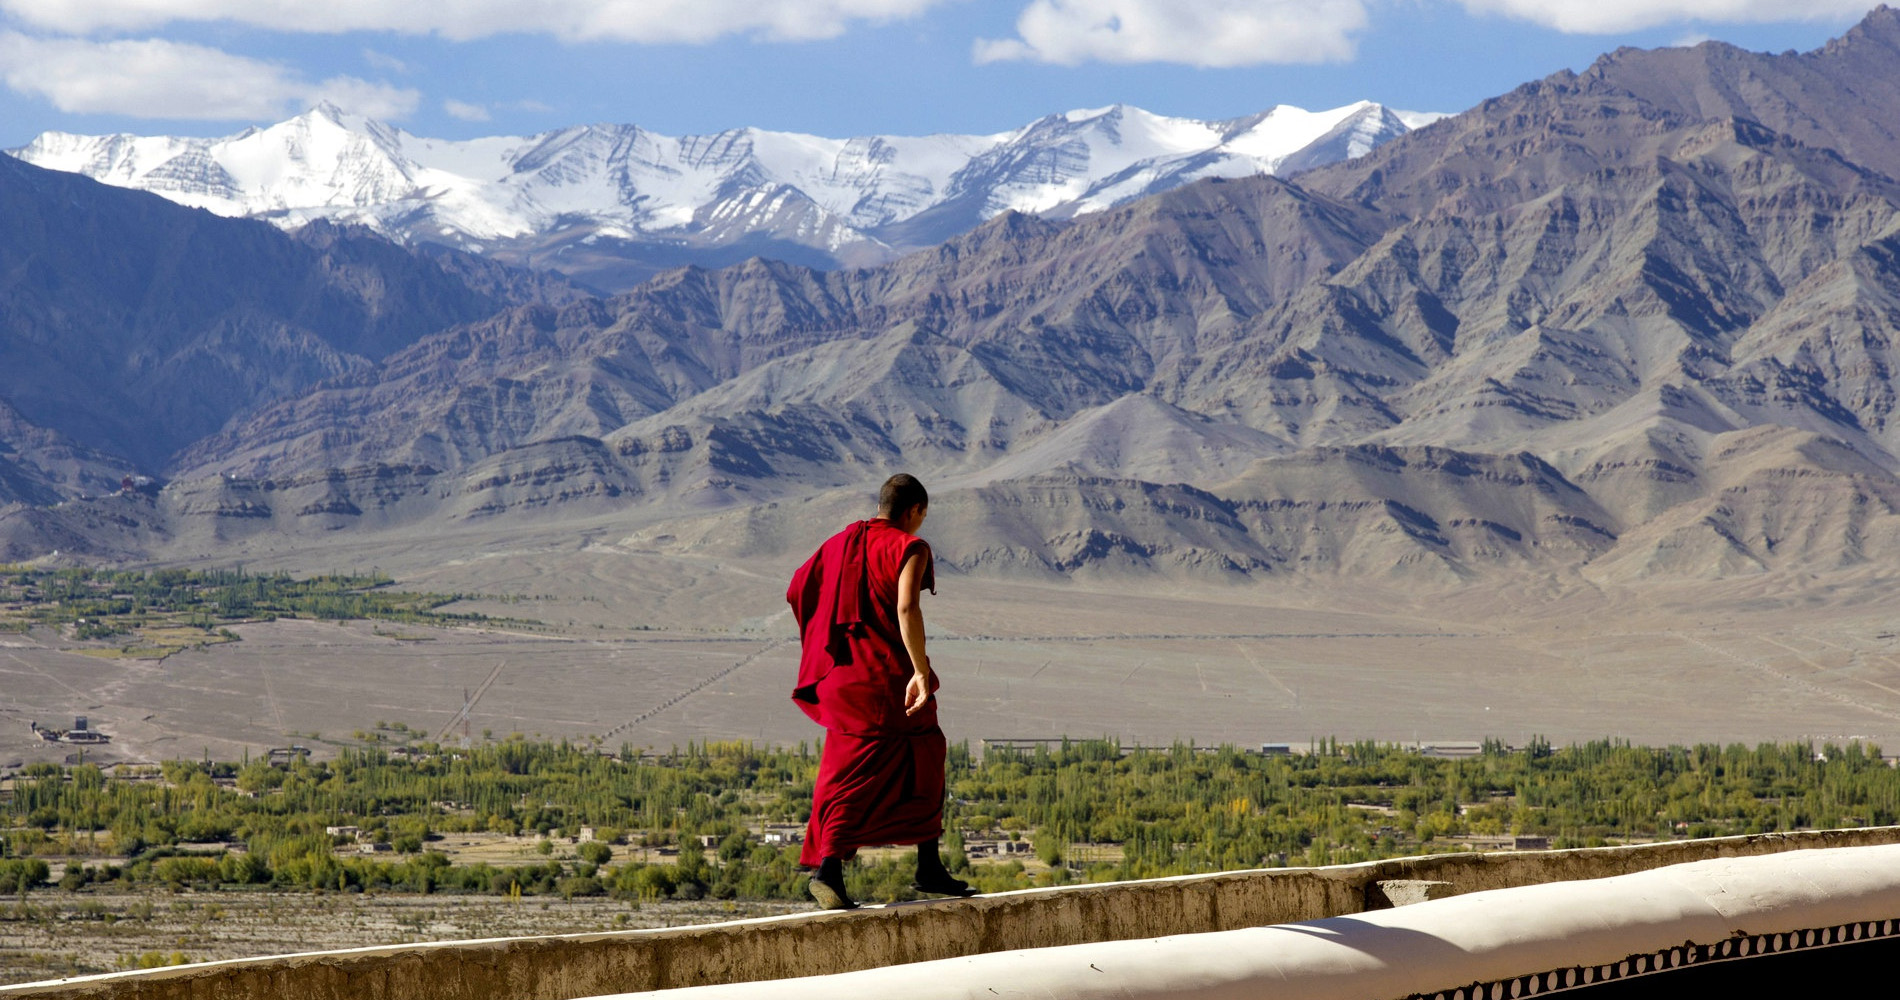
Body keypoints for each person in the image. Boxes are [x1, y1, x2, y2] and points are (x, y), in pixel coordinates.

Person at [786, 473, 976, 909]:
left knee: (847, 771)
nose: (920, 526)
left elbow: (798, 587)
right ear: (913, 511)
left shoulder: (841, 543)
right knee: (926, 752)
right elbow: (907, 606)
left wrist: (830, 640)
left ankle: (830, 870)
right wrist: (920, 669)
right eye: (921, 517)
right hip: (886, 677)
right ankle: (925, 864)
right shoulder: (910, 547)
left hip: (842, 678)